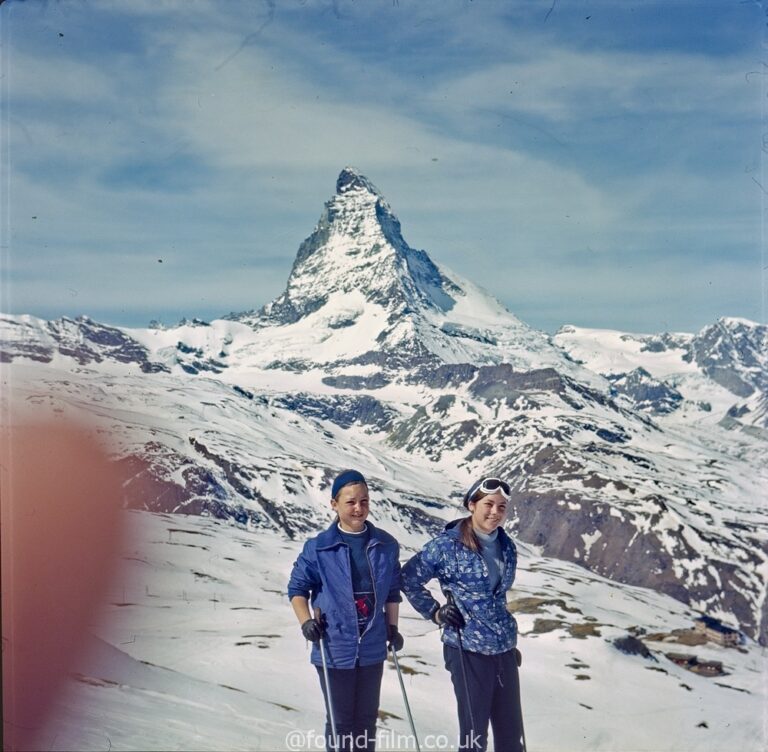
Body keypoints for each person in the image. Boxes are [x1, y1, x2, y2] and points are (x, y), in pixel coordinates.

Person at [401, 476, 525, 752]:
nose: (495, 512)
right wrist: (435, 613)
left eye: (502, 507)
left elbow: (497, 597)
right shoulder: (446, 546)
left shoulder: (507, 547)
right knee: (474, 737)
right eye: (489, 504)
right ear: (472, 505)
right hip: (466, 647)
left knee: (510, 736)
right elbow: (408, 578)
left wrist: (506, 640)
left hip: (503, 650)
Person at [288, 469, 403, 752]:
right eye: (351, 502)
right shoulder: (319, 548)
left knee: (365, 721)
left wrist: (392, 628)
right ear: (334, 504)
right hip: (334, 646)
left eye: (364, 501)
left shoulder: (386, 545)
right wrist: (306, 623)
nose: (358, 508)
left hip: (373, 647)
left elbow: (391, 592)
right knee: (341, 723)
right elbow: (297, 590)